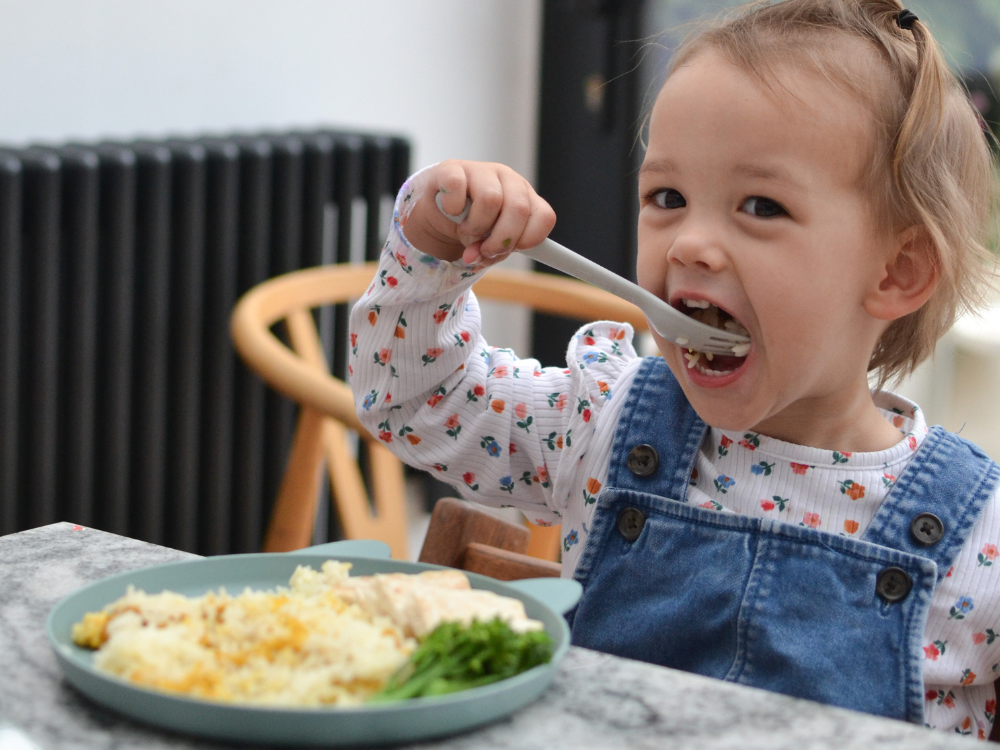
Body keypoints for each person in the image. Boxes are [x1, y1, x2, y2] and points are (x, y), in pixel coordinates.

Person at [350, 0, 1000, 736]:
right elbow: (414, 404)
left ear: (896, 271)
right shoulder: (598, 425)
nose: (689, 242)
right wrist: (430, 247)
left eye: (759, 205)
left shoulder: (982, 540)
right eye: (667, 197)